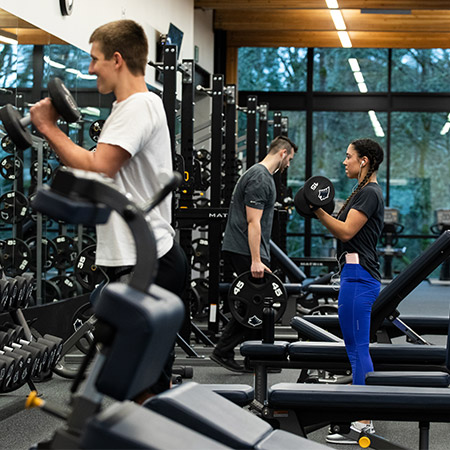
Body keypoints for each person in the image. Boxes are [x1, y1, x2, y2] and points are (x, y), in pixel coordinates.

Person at [30, 19, 188, 400]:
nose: (89, 68)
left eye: (94, 59)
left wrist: (48, 128)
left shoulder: (140, 105)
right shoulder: (127, 108)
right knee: (132, 382)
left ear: (116, 59)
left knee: (141, 386)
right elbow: (99, 177)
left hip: (149, 261)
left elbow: (101, 165)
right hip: (137, 260)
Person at [311, 138, 384, 444]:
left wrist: (316, 211)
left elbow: (345, 231)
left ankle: (363, 422)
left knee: (357, 351)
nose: (345, 161)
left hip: (359, 278)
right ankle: (361, 415)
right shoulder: (362, 191)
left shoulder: (369, 193)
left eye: (348, 156)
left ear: (364, 160)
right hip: (353, 274)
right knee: (355, 349)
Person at [211, 135, 298, 372]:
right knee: (256, 303)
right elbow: (253, 222)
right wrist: (257, 259)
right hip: (245, 250)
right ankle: (224, 350)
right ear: (282, 153)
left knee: (259, 303)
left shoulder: (260, 176)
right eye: (289, 159)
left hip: (245, 249)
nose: (288, 164)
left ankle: (257, 357)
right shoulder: (260, 178)